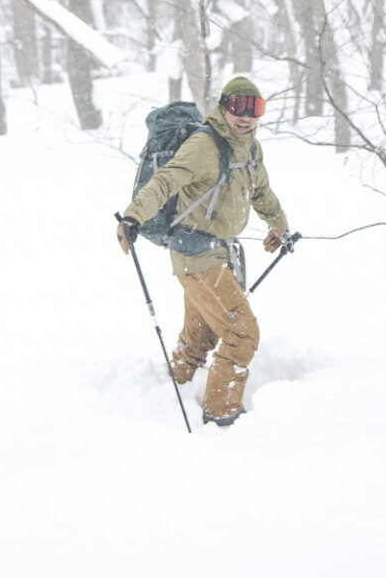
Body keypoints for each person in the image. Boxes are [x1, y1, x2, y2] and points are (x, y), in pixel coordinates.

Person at [116, 77, 289, 426]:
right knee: (242, 334)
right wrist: (134, 216)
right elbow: (164, 181)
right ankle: (222, 418)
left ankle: (173, 389)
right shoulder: (204, 145)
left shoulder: (251, 150)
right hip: (195, 252)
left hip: (220, 252)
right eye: (239, 106)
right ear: (224, 106)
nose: (246, 117)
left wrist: (279, 226)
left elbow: (261, 193)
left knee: (201, 336)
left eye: (255, 109)